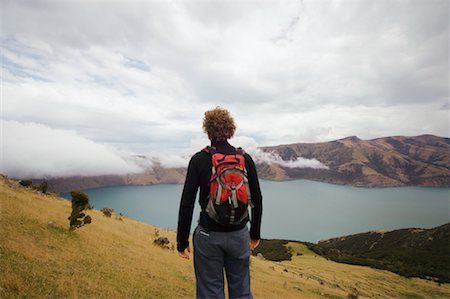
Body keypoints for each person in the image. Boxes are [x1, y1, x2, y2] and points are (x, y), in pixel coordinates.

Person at [177, 107, 263, 299]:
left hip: (208, 236)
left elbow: (187, 203)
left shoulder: (199, 159)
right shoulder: (244, 159)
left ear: (207, 130)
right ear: (230, 129)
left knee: (210, 291)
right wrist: (255, 233)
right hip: (240, 235)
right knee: (241, 291)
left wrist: (181, 241)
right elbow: (256, 199)